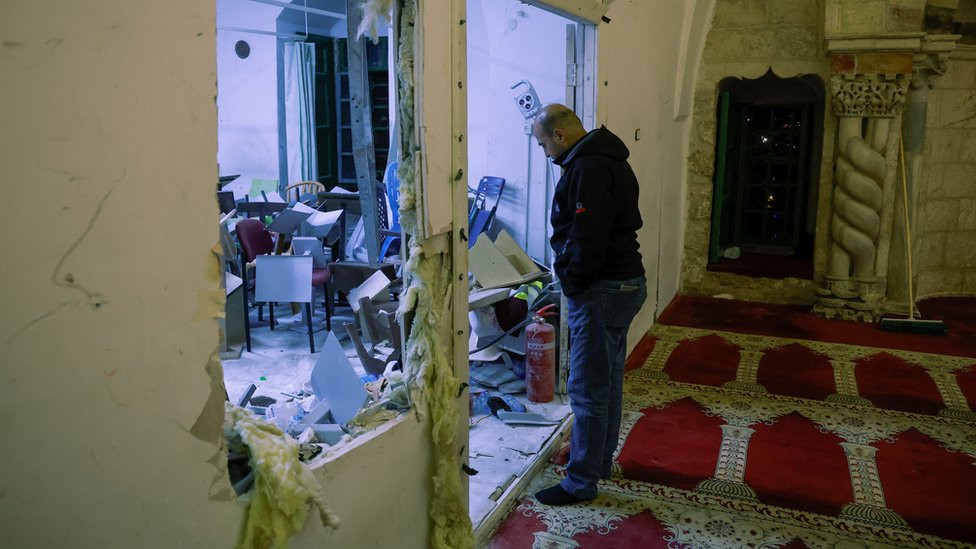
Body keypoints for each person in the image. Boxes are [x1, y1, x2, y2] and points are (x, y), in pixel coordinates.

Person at [531, 104, 646, 506]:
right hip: (622, 283)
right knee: (607, 382)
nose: (544, 152)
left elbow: (588, 238)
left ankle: (580, 481)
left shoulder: (589, 169)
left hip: (602, 288)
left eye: (543, 143)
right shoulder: (606, 158)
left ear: (560, 135)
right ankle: (598, 462)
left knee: (585, 389)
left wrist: (574, 284)